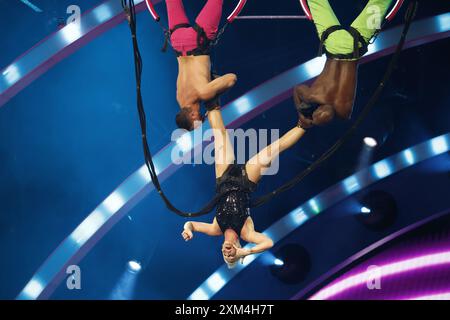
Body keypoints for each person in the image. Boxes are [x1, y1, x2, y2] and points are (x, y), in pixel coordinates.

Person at [181, 105, 307, 268]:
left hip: (223, 178)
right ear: (238, 248)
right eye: (231, 256)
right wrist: (245, 253)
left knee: (219, 134)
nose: (227, 253)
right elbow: (268, 242)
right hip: (246, 182)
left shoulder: (215, 228)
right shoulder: (246, 233)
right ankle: (305, 123)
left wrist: (188, 230)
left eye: (225, 255)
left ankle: (212, 101)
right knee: (273, 150)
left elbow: (190, 224)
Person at [294, 0, 396, 128]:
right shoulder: (317, 98)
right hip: (340, 42)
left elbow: (297, 89)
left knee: (380, 3)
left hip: (348, 44)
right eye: (324, 117)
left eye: (319, 114)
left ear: (315, 111)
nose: (323, 114)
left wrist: (303, 117)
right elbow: (297, 90)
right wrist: (302, 115)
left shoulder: (342, 111)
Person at [163, 0, 237, 131]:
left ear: (192, 115)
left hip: (198, 40)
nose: (203, 118)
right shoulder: (180, 99)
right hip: (177, 41)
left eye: (199, 120)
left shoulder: (204, 93)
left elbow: (232, 78)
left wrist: (212, 101)